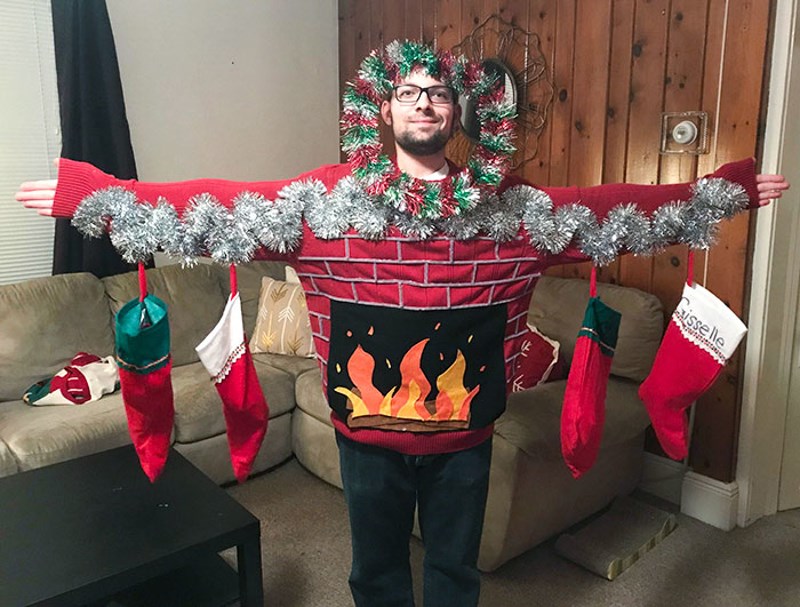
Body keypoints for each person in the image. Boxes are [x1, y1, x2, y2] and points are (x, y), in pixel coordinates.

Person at [17, 40, 789, 607]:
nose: (424, 102)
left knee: (454, 572)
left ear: (457, 114)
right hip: (367, 441)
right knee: (375, 572)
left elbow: (609, 209)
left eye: (439, 93)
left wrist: (718, 193)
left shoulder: (512, 211)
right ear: (382, 110)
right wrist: (99, 195)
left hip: (466, 442)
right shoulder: (323, 204)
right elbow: (214, 205)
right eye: (409, 91)